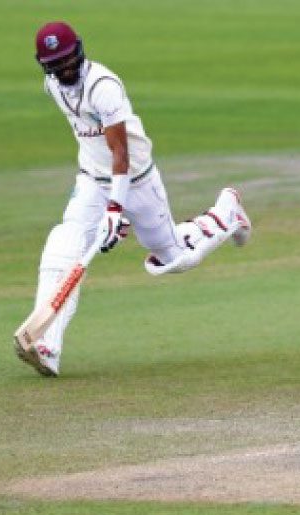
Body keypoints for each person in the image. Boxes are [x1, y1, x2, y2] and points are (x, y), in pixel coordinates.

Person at [18, 21, 251, 377]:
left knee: (172, 259)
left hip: (136, 178)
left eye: (68, 61)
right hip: (91, 179)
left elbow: (119, 152)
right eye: (55, 64)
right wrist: (107, 206)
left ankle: (225, 215)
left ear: (79, 51)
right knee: (64, 241)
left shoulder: (104, 87)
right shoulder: (52, 85)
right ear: (44, 65)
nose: (63, 69)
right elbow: (93, 146)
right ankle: (47, 344)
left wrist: (116, 208)